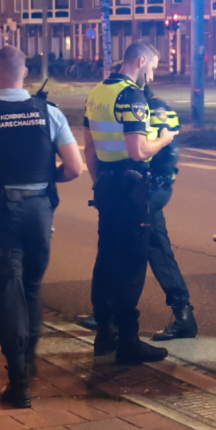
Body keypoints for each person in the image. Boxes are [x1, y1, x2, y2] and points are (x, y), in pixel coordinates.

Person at [0, 46, 86, 408]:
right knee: (31, 289)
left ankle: (19, 381)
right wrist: (45, 181)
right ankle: (29, 362)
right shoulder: (50, 113)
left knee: (8, 293)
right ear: (24, 72)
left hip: (1, 216)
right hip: (40, 213)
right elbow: (75, 169)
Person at [84, 41, 175, 364]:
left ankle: (105, 334)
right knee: (132, 264)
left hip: (107, 185)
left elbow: (89, 148)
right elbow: (138, 150)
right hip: (130, 187)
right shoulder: (131, 95)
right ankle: (128, 341)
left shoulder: (98, 92)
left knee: (106, 259)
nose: (151, 75)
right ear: (140, 61)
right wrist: (164, 138)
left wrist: (99, 183)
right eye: (152, 67)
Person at [143, 91, 196, 341]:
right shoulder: (159, 106)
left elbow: (148, 149)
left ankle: (184, 313)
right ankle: (106, 313)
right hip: (156, 187)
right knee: (151, 247)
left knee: (153, 248)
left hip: (147, 190)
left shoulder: (140, 107)